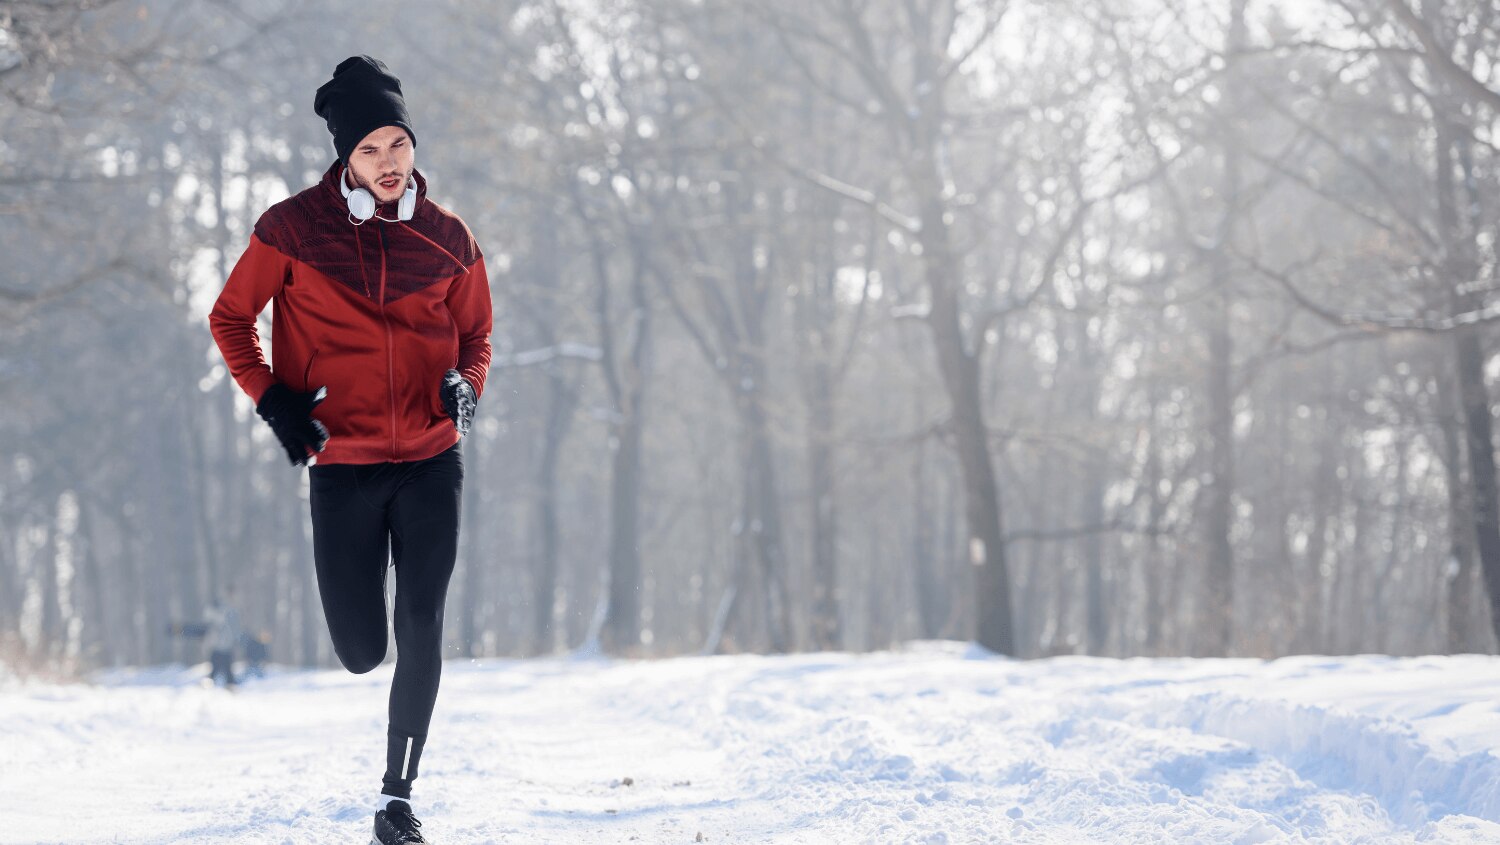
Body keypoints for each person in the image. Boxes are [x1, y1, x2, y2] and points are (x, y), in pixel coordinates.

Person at [208, 55, 493, 845]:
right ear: (344, 157)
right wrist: (272, 397)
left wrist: (467, 386)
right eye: (369, 150)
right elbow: (230, 318)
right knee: (363, 649)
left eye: (396, 144)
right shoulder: (291, 230)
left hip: (432, 461)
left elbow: (476, 335)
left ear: (411, 142)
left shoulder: (448, 240)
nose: (388, 163)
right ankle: (378, 717)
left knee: (424, 621)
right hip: (343, 468)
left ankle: (397, 800)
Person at [203, 593, 241, 689]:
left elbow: (235, 631)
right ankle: (212, 683)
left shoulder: (229, 615)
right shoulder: (212, 618)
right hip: (218, 648)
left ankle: (230, 684)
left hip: (225, 648)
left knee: (227, 669)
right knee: (215, 668)